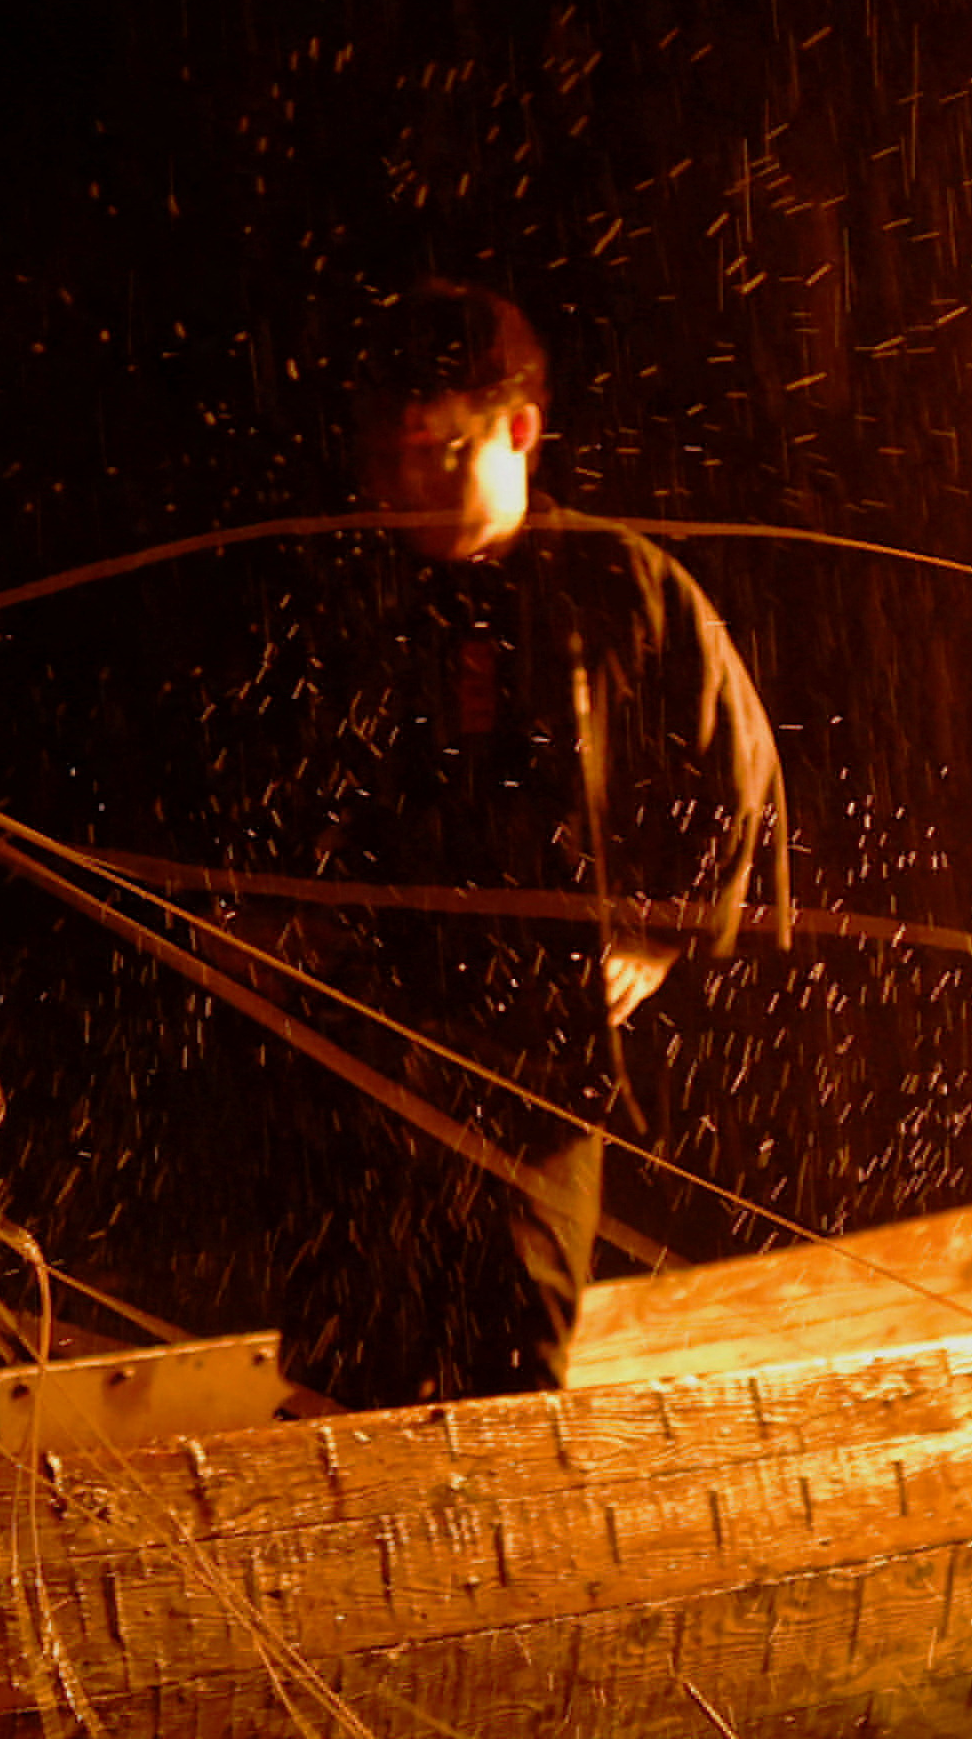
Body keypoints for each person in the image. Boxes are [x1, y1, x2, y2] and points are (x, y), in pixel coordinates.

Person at [245, 283, 782, 1409]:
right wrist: (287, 913)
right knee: (343, 1343)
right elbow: (287, 784)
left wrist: (660, 931)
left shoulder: (616, 586)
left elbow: (735, 772)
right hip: (374, 1036)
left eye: (436, 456)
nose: (405, 488)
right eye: (386, 461)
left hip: (535, 1046)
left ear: (519, 432)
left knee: (507, 1339)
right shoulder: (364, 601)